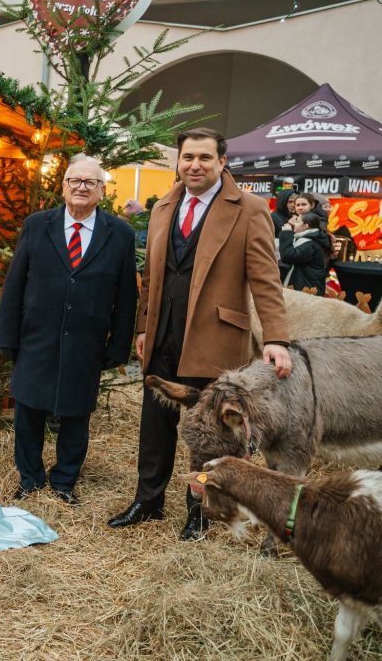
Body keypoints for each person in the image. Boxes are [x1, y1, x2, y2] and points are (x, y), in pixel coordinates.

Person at [107, 127, 292, 541]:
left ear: (222, 162)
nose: (195, 165)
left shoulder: (249, 209)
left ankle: (201, 512)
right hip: (163, 335)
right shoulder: (163, 207)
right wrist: (144, 326)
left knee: (210, 435)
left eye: (205, 158)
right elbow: (151, 276)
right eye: (188, 157)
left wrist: (276, 338)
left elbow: (266, 280)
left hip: (215, 338)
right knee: (154, 426)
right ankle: (148, 501)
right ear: (178, 161)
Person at [0, 154, 138, 505]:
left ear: (102, 190)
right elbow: (14, 285)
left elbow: (126, 297)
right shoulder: (36, 225)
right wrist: (7, 336)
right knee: (28, 412)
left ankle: (64, 481)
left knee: (76, 414)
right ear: (64, 186)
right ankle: (30, 479)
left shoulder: (120, 234)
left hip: (86, 342)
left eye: (90, 182)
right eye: (75, 181)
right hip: (35, 338)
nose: (81, 187)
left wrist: (118, 347)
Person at [280, 211, 331, 295]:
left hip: (308, 288)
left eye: (297, 221)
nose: (294, 224)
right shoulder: (309, 238)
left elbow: (288, 256)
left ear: (306, 226)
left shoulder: (311, 243)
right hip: (305, 285)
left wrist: (286, 233)